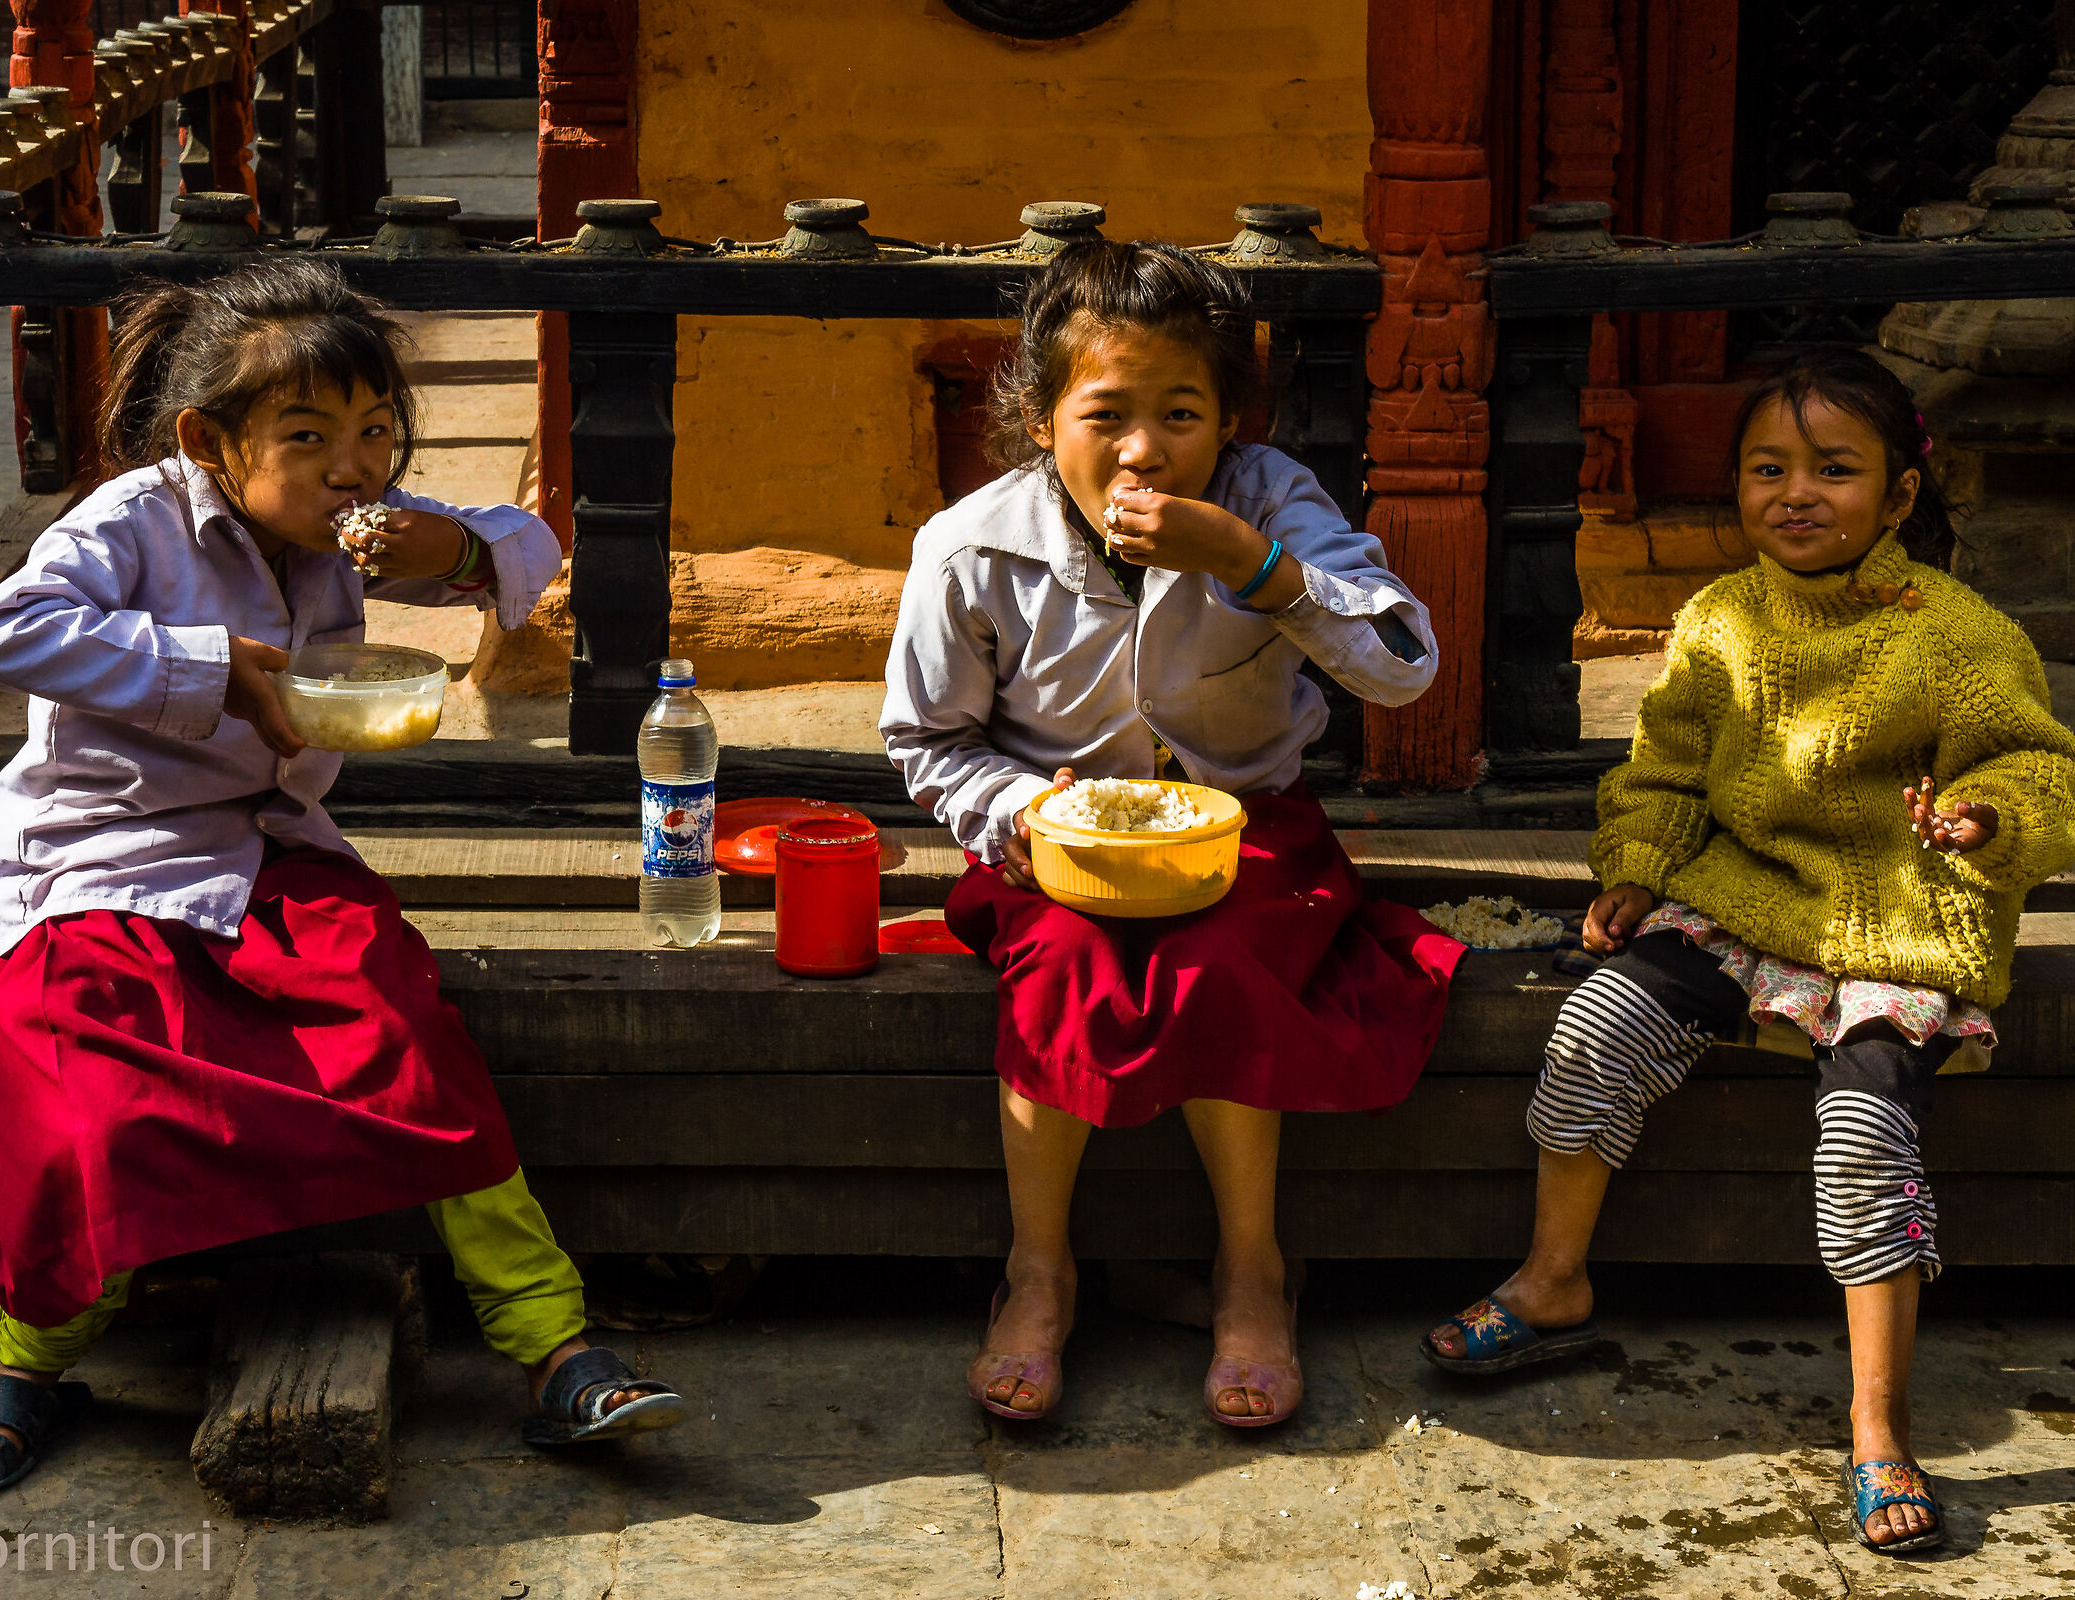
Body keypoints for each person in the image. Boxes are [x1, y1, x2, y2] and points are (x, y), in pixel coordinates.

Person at [0, 258, 684, 1495]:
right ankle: (30, 1355)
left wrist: (458, 544)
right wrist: (205, 664)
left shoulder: (347, 525)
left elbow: (523, 545)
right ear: (208, 442)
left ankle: (554, 1344)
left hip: (272, 848)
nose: (355, 466)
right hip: (101, 859)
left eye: (379, 432)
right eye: (312, 435)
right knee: (83, 1091)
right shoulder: (127, 523)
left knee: (404, 1031)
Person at [1420, 347, 2075, 1554]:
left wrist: (1987, 823)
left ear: (1899, 496)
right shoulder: (1721, 618)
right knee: (1591, 1030)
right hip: (1747, 904)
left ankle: (1879, 1425)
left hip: (1896, 921)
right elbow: (1664, 767)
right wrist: (1634, 870)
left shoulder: (1959, 634)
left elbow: (2037, 768)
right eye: (1769, 467)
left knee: (1865, 1134)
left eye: (1836, 469)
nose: (1797, 492)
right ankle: (1554, 1277)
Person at [882, 240, 1463, 1429]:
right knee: (1069, 964)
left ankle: (1250, 1270)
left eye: (1182, 413)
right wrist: (1030, 815)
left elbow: (1405, 669)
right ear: (1042, 421)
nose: (1144, 449)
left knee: (1219, 961)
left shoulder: (1270, 503)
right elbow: (927, 742)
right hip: (1053, 846)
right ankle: (1039, 1270)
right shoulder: (968, 545)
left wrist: (1257, 569)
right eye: (1106, 414)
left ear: (1230, 426)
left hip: (1250, 838)